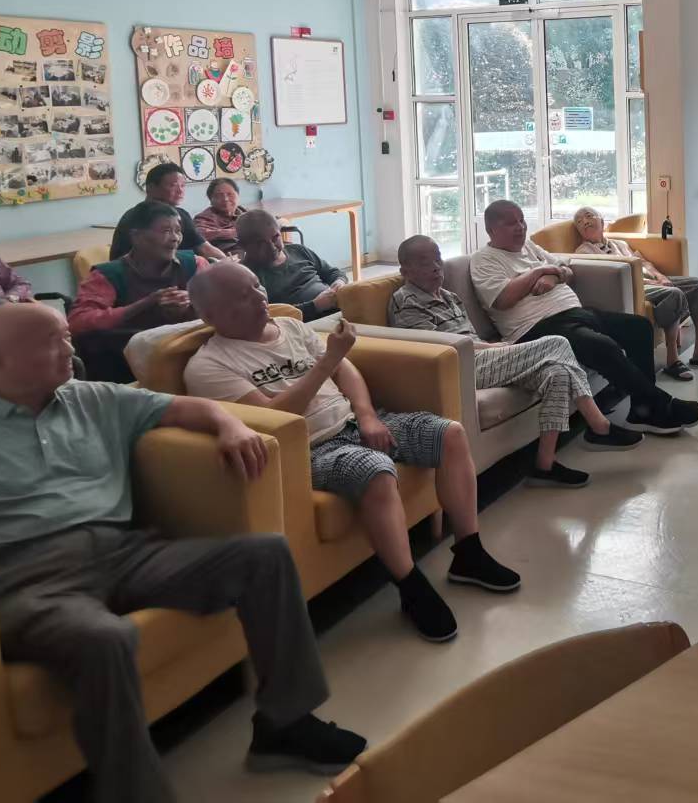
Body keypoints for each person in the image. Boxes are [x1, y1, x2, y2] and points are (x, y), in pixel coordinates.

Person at [0, 303, 366, 802]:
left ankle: (285, 723)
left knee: (264, 555)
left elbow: (188, 408)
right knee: (105, 638)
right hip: (29, 581)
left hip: (125, 552)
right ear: (1, 359)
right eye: (54, 340)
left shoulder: (92, 397)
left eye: (67, 335)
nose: (70, 347)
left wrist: (231, 426)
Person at [184, 263, 518, 642]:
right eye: (242, 296)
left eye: (257, 286)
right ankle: (411, 588)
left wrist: (367, 415)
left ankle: (469, 553)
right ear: (209, 314)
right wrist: (327, 360)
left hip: (355, 422)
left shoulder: (290, 327)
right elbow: (276, 418)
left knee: (450, 434)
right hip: (312, 448)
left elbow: (346, 371)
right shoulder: (209, 365)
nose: (260, 298)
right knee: (375, 470)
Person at [390, 235, 641, 488]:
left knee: (557, 372)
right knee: (557, 342)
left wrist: (493, 347)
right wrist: (493, 347)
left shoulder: (450, 296)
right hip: (460, 366)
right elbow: (436, 347)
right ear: (405, 271)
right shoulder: (406, 301)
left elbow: (470, 337)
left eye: (438, 259)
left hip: (483, 356)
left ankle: (544, 465)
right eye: (425, 263)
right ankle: (599, 424)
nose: (436, 267)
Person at [469, 201, 698, 437]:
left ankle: (642, 411)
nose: (520, 227)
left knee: (639, 327)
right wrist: (539, 271)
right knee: (602, 346)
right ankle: (661, 406)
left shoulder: (529, 247)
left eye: (521, 220)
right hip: (536, 328)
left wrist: (554, 276)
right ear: (491, 230)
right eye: (511, 223)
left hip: (573, 314)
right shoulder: (484, 260)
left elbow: (566, 269)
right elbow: (503, 299)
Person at [570, 206, 698, 381]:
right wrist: (650, 282)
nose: (585, 221)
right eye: (579, 222)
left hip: (651, 281)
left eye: (589, 216)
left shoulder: (619, 244)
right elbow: (615, 278)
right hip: (632, 288)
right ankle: (672, 361)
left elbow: (643, 263)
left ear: (602, 221)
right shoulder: (583, 252)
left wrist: (660, 277)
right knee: (673, 294)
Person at [69, 201, 204, 382]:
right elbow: (78, 322)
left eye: (178, 231)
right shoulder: (108, 275)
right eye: (166, 231)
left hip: (190, 359)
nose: (175, 238)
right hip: (128, 367)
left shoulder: (194, 264)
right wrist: (145, 304)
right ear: (137, 237)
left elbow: (221, 306)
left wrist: (191, 304)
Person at [236, 208, 346, 321]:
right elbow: (267, 317)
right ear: (243, 246)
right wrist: (315, 306)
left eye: (275, 238)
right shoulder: (245, 276)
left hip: (339, 309)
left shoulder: (298, 251)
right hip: (305, 324)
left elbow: (334, 273)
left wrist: (339, 282)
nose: (271, 247)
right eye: (261, 243)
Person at [107, 163, 227, 262]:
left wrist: (229, 261)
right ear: (150, 188)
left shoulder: (132, 213)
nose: (180, 191)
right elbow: (205, 250)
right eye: (173, 186)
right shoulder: (139, 217)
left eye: (183, 186)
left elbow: (205, 248)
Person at [193, 177, 248, 254]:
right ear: (211, 200)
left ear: (238, 195)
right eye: (219, 195)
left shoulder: (246, 214)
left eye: (230, 194)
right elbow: (199, 235)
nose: (225, 199)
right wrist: (238, 232)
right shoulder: (203, 218)